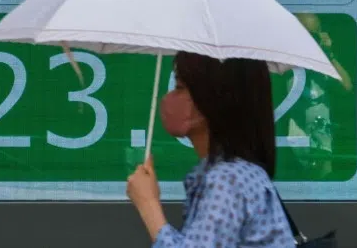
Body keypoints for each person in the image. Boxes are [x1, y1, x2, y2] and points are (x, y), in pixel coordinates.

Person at [126, 51, 297, 247]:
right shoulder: (227, 174)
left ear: (214, 99)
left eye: (180, 87)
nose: (169, 97)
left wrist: (149, 205)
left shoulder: (228, 180)